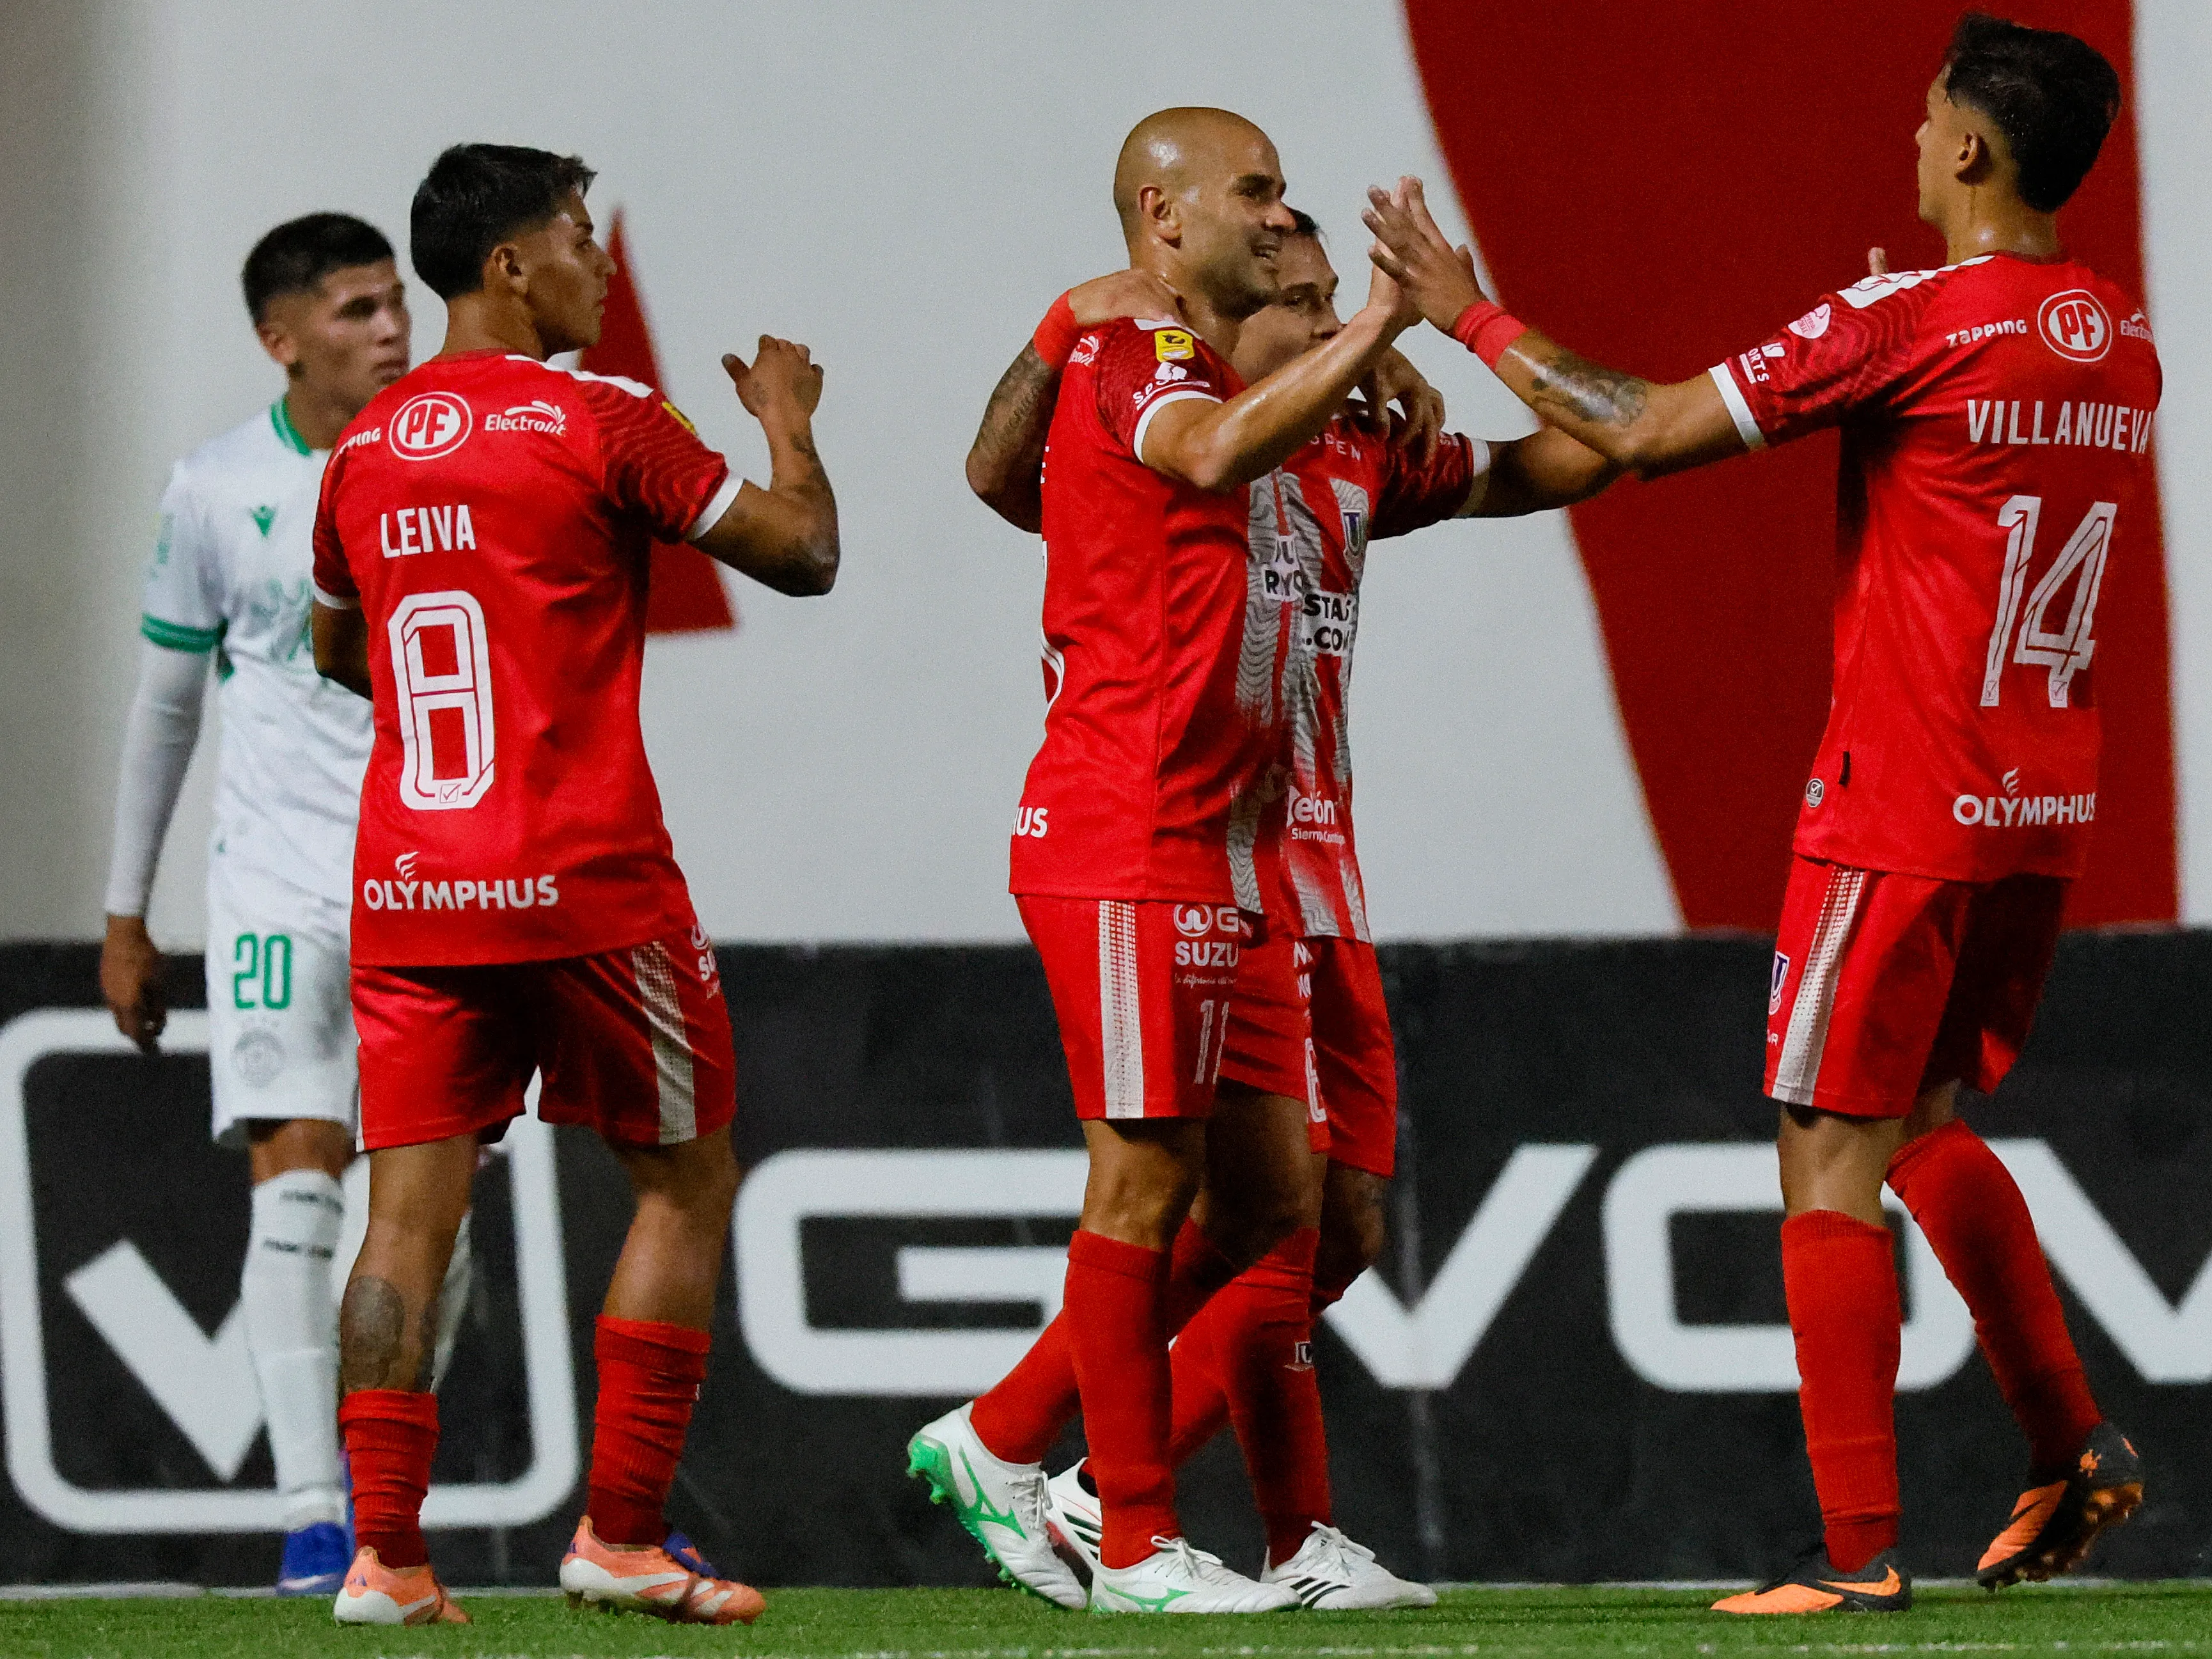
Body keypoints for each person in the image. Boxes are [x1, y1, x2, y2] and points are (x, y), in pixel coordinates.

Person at [1365, 10, 2156, 1616]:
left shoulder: (1903, 321)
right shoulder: (2109, 327)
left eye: (1922, 114)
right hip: (2037, 802)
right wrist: (1888, 327)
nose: (1905, 135)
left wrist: (1468, 315)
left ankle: (1853, 1556)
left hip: (1900, 801)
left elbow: (1642, 425)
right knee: (1923, 1123)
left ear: (1962, 151)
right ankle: (2066, 1443)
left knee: (1823, 1154)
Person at [951, 213, 1620, 1610]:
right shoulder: (1142, 390)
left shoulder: (1352, 443)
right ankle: (1095, 1487)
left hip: (1302, 860)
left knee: (1323, 1224)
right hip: (1158, 838)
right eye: (1296, 304)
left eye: (1328, 301)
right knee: (1200, 1198)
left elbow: (1562, 461)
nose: (1319, 323)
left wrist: (1519, 363)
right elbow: (1000, 475)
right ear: (1210, 308)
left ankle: (1121, 1482)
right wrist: (1066, 321)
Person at [306, 143, 839, 1626]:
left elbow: (334, 642)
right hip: (583, 879)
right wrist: (789, 428)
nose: (599, 267)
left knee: (405, 1217)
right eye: (577, 239)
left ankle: (382, 1557)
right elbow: (801, 554)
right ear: (507, 268)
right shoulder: (599, 417)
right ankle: (619, 1533)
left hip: (411, 881)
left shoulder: (361, 447)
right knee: (682, 1178)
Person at [908, 107, 1422, 1616]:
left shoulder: (1288, 408)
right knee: (1144, 1179)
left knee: (1279, 1208)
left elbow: (1513, 465)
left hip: (1242, 845)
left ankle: (1008, 1443)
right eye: (1255, 193)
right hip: (1131, 821)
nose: (1279, 218)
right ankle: (1124, 1532)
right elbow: (1146, 456)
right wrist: (1382, 318)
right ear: (1163, 212)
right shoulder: (1129, 357)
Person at [98, 212, 479, 1598]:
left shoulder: (441, 464)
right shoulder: (212, 488)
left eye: (396, 303)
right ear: (282, 338)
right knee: (298, 1184)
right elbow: (166, 702)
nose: (393, 328)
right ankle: (317, 1512)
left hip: (432, 879)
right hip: (273, 882)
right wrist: (125, 911)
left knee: (437, 1219)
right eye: (360, 308)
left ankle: (385, 1502)